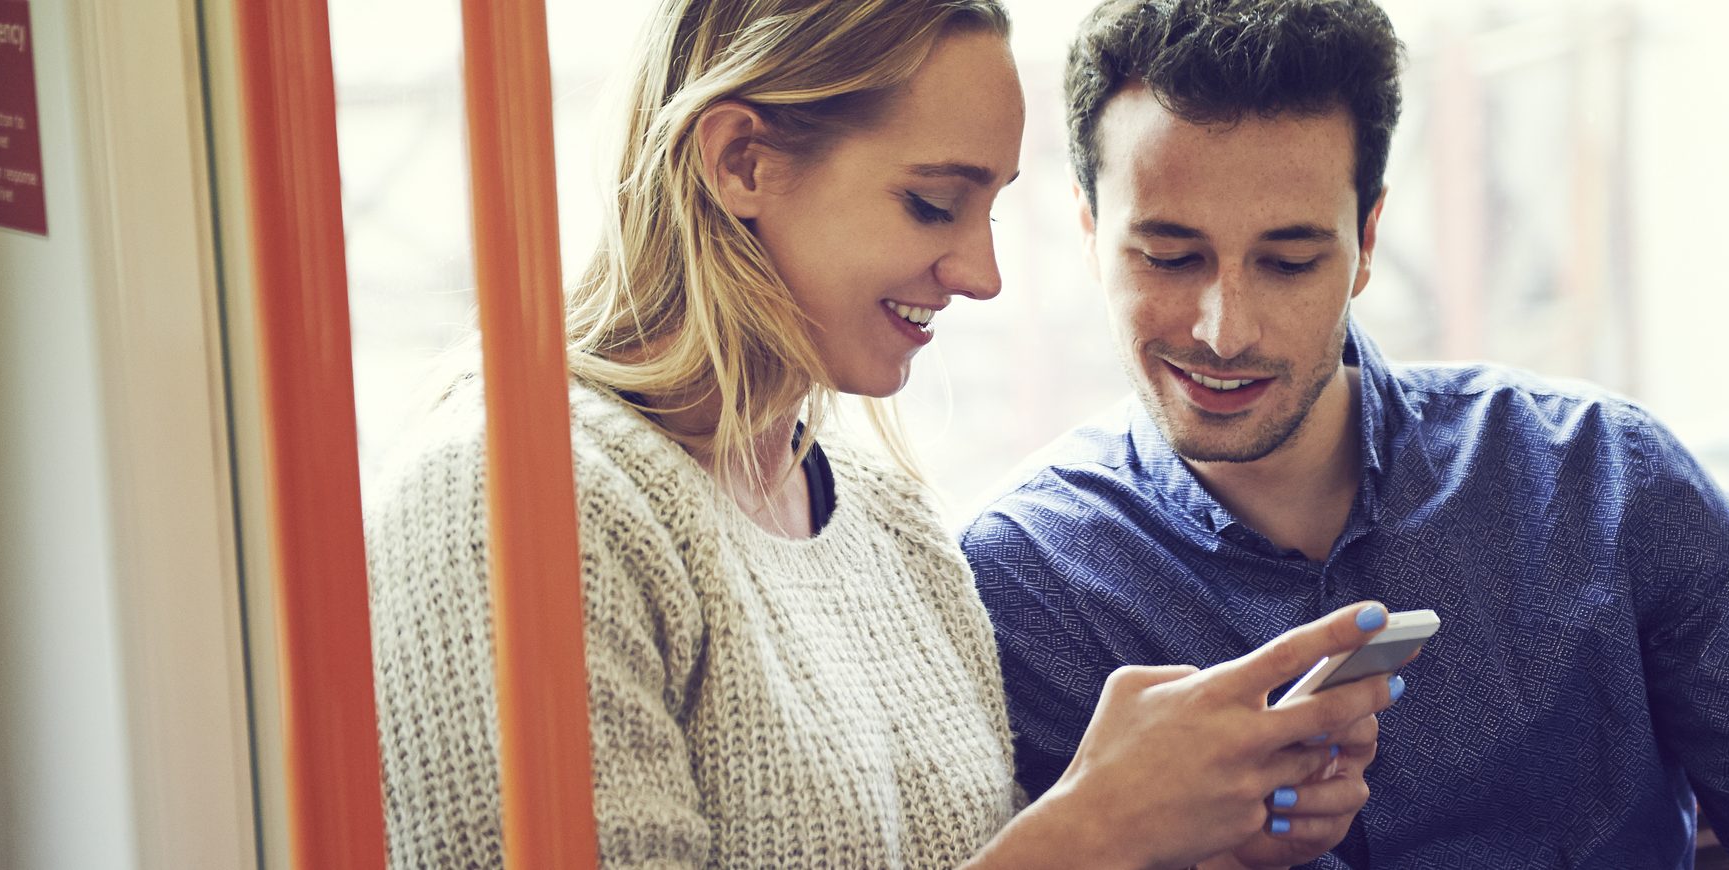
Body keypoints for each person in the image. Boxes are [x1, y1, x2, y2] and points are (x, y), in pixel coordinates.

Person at [365, 1, 1402, 867]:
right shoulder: (513, 500)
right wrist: (1087, 832)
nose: (980, 274)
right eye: (930, 203)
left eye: (988, 209)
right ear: (740, 162)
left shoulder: (896, 528)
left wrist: (1175, 841)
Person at [961, 0, 1729, 867]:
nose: (1223, 329)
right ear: (1091, 235)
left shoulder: (1606, 483)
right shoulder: (1027, 584)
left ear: (1365, 243)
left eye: (1286, 262)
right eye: (1167, 256)